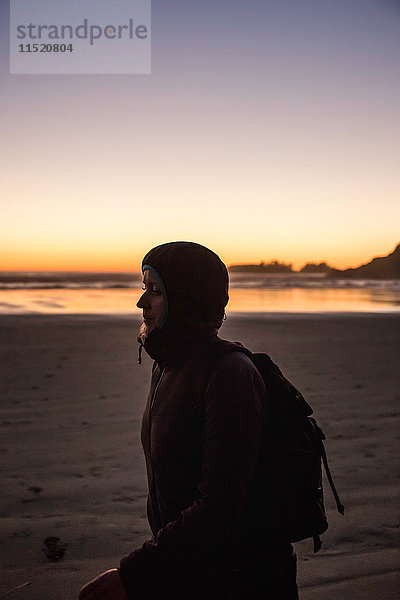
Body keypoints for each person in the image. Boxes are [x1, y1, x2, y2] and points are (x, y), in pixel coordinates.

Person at [79, 241, 299, 600]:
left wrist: (132, 574)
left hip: (242, 582)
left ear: (187, 298)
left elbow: (221, 507)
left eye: (155, 290)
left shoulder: (229, 374)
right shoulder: (168, 364)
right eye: (143, 287)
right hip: (188, 572)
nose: (141, 302)